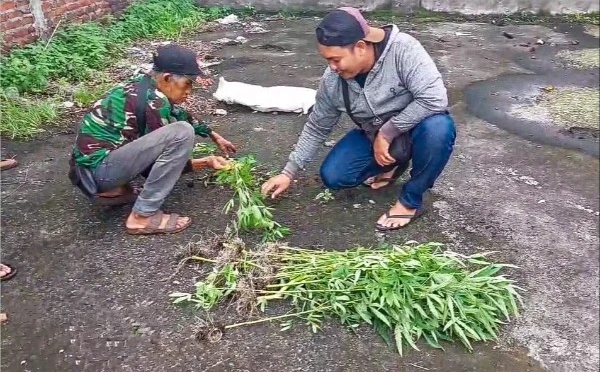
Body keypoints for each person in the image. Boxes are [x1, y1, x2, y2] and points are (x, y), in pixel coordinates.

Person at [261, 7, 456, 231]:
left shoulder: (403, 49)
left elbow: (434, 99)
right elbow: (317, 127)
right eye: (327, 60)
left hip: (418, 126)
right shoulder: (332, 81)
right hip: (372, 133)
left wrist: (387, 132)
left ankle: (410, 200)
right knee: (334, 176)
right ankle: (394, 163)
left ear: (361, 47)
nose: (332, 68)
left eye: (336, 59)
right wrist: (288, 172)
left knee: (439, 128)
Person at [70, 44, 236, 235]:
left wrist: (212, 134)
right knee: (182, 132)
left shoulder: (143, 85)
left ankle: (114, 190)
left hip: (85, 171)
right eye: (188, 83)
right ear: (167, 78)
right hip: (99, 174)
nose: (190, 91)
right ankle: (142, 216)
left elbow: (178, 112)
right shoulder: (155, 103)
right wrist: (206, 162)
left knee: (179, 126)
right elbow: (154, 168)